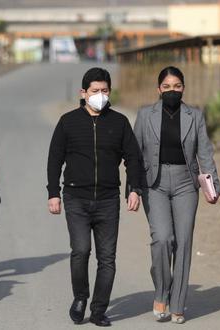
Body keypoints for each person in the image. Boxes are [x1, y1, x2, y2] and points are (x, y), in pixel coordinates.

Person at [46, 67, 142, 327]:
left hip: (108, 200)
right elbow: (55, 158)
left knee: (107, 258)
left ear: (110, 92)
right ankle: (80, 298)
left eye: (104, 91)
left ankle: (99, 309)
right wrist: (53, 193)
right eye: (95, 91)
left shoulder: (119, 122)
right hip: (76, 197)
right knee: (80, 251)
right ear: (83, 93)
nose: (100, 95)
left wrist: (134, 188)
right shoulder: (68, 122)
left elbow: (133, 157)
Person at [133, 66, 220, 324]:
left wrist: (213, 184)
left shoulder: (195, 115)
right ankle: (161, 292)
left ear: (184, 88)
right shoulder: (145, 115)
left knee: (183, 243)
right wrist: (134, 188)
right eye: (167, 86)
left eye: (177, 86)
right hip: (155, 184)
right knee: (162, 239)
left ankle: (178, 304)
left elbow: (204, 151)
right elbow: (135, 155)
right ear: (159, 88)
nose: (172, 90)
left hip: (186, 183)